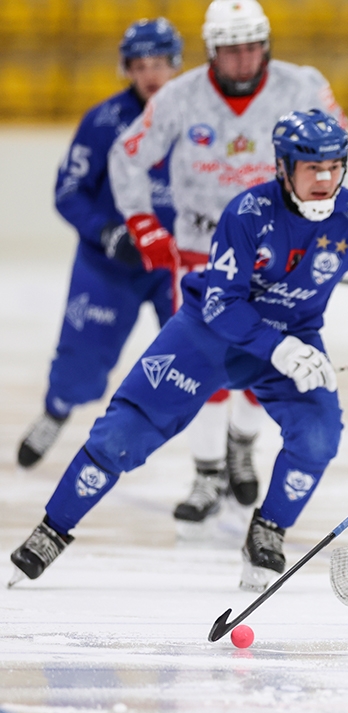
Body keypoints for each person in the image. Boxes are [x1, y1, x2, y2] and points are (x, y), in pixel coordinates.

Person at [8, 109, 348, 593]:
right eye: (313, 167)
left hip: (294, 342)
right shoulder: (248, 213)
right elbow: (223, 304)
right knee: (121, 437)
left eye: (335, 166)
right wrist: (280, 347)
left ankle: (267, 532)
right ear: (284, 167)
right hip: (206, 337)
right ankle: (51, 531)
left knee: (318, 435)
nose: (325, 178)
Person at [109, 0, 348, 536]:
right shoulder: (179, 95)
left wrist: (320, 222)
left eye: (251, 47)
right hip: (201, 252)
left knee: (261, 367)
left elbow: (335, 154)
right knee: (203, 369)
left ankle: (240, 451)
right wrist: (142, 222)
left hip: (275, 255)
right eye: (230, 50)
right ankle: (206, 475)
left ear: (265, 45)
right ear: (211, 50)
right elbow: (127, 155)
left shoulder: (303, 87)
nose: (243, 60)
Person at [17, 18, 183, 470]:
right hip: (112, 265)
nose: (150, 74)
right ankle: (57, 408)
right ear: (126, 68)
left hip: (179, 265)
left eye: (159, 63)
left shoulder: (201, 120)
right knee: (81, 361)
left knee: (205, 358)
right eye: (140, 64)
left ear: (176, 65)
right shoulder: (103, 121)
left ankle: (220, 455)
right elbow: (69, 191)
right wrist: (108, 233)